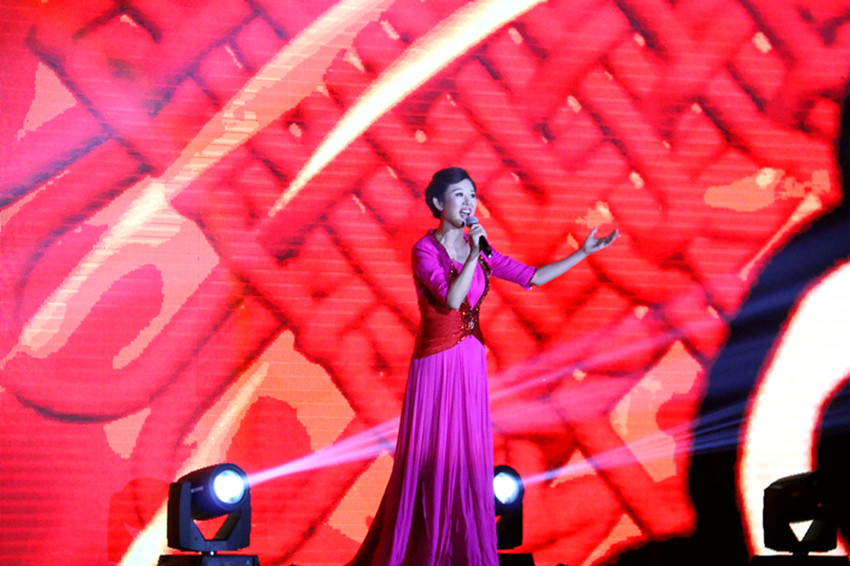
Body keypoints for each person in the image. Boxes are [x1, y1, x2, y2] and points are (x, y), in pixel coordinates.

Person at [348, 167, 618, 566]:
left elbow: (533, 277)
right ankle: (422, 550)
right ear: (438, 203)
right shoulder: (425, 250)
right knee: (433, 455)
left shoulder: (482, 249)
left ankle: (461, 549)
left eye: (472, 195)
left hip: (471, 359)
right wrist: (475, 254)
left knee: (467, 457)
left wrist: (583, 253)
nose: (469, 203)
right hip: (437, 362)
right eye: (459, 195)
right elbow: (451, 299)